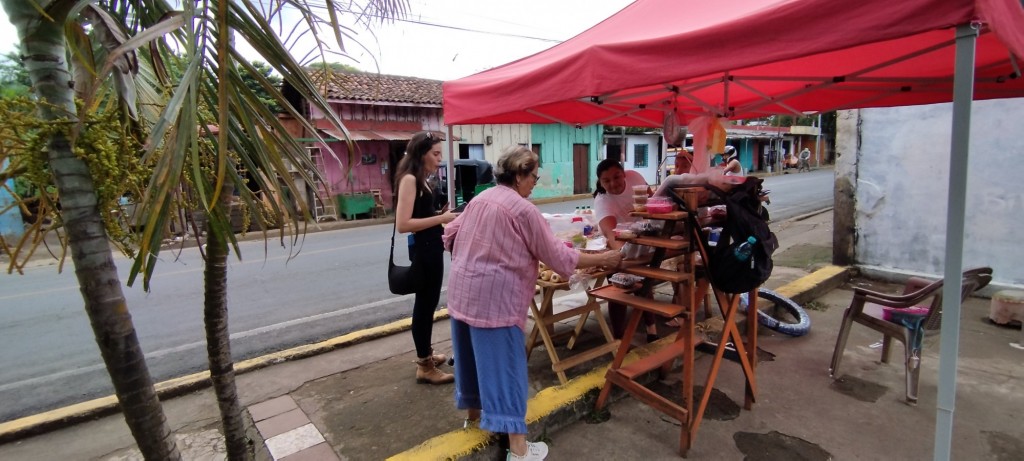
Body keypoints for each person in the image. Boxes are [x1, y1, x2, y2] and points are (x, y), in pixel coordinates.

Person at [443, 145, 622, 461]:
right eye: (533, 176)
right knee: (507, 368)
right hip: (496, 301)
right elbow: (557, 255)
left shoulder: (480, 199)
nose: (535, 182)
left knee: (470, 357)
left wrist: (479, 253)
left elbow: (449, 236)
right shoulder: (523, 210)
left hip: (462, 290)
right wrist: (606, 257)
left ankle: (472, 419)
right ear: (518, 174)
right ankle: (519, 450)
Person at [394, 131, 461, 385]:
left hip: (432, 248)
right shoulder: (410, 179)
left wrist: (439, 213)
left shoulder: (421, 178)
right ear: (421, 154)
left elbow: (421, 214)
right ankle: (424, 365)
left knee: (429, 305)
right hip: (423, 250)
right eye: (435, 154)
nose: (439, 159)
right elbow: (403, 224)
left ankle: (428, 355)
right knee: (423, 308)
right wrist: (441, 219)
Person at [592, 159, 660, 343]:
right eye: (606, 181)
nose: (613, 183)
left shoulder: (635, 177)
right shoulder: (603, 201)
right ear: (600, 182)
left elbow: (652, 199)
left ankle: (651, 330)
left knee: (645, 285)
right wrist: (625, 257)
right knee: (619, 288)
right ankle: (619, 339)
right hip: (620, 246)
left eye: (617, 177)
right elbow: (611, 235)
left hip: (643, 240)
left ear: (624, 174)